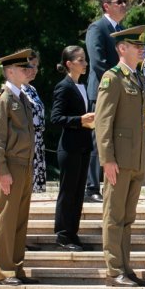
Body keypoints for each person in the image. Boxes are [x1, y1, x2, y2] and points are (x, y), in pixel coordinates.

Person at [95, 25, 145, 287]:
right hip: (118, 160)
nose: (141, 49)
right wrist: (107, 159)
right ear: (121, 48)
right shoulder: (112, 78)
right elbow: (103, 121)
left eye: (141, 46)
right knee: (114, 216)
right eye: (136, 46)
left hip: (136, 160)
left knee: (128, 218)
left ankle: (125, 268)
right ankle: (114, 269)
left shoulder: (137, 78)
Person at [0, 48, 40, 286]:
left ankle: (16, 266)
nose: (28, 71)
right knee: (6, 218)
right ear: (9, 71)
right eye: (22, 68)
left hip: (25, 164)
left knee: (19, 219)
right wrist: (2, 170)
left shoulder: (22, 96)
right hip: (11, 165)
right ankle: (4, 269)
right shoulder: (3, 98)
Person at [84, 0, 129, 202]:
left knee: (115, 136)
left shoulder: (121, 29)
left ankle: (113, 183)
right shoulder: (97, 28)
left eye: (124, 0)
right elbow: (98, 62)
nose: (124, 4)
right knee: (97, 138)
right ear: (106, 6)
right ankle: (91, 187)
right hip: (102, 91)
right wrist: (118, 82)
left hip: (120, 91)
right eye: (118, 1)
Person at [50, 46, 94, 251]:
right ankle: (62, 234)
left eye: (85, 60)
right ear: (69, 64)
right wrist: (80, 120)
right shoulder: (64, 87)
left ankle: (73, 233)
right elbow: (56, 118)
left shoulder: (82, 86)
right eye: (80, 60)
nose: (85, 64)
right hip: (69, 147)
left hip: (84, 146)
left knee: (78, 192)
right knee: (68, 191)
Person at [23, 55, 47, 194]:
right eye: (31, 65)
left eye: (36, 66)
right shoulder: (17, 89)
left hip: (37, 140)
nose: (35, 70)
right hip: (26, 140)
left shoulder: (32, 89)